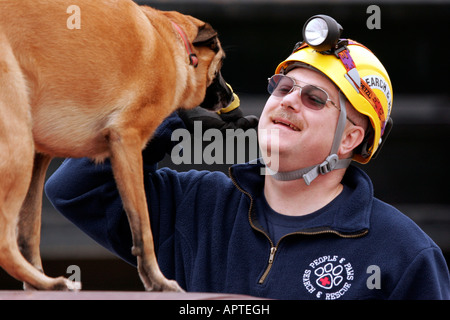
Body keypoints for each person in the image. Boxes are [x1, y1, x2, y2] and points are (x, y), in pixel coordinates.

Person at [45, 15, 450, 300]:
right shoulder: (199, 206)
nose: (288, 101)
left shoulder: (402, 255)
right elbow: (76, 187)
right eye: (283, 86)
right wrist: (170, 106)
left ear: (350, 139)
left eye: (314, 99)